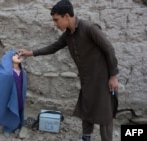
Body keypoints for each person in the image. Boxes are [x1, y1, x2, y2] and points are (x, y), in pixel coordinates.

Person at [19, 0, 119, 141]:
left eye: (56, 20)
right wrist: (31, 53)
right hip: (86, 78)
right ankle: (86, 138)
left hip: (102, 78)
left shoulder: (90, 28)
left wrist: (113, 76)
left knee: (105, 113)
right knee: (87, 108)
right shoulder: (68, 34)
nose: (55, 23)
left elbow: (109, 49)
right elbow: (53, 47)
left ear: (66, 16)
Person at [0, 49, 27, 134]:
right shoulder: (5, 73)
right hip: (9, 95)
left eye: (18, 54)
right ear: (9, 59)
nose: (18, 55)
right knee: (8, 108)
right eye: (15, 55)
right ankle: (8, 126)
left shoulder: (23, 72)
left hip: (19, 94)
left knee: (19, 107)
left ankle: (18, 123)